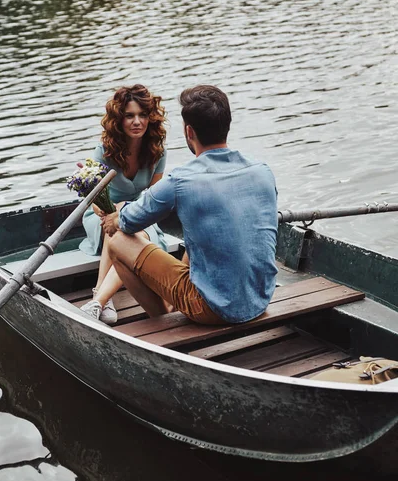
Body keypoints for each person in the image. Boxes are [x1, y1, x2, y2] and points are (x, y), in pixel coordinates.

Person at [100, 84, 278, 325]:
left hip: (212, 309)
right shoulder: (262, 171)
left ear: (189, 132)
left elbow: (128, 222)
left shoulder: (181, 179)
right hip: (261, 299)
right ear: (227, 125)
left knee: (118, 242)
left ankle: (164, 320)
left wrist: (115, 216)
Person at [79, 84, 167, 324]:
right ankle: (101, 298)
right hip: (101, 218)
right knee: (118, 219)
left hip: (140, 217)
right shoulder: (103, 151)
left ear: (151, 118)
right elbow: (93, 200)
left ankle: (98, 300)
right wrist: (112, 212)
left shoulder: (157, 152)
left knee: (126, 221)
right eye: (129, 116)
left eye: (142, 115)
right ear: (119, 119)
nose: (137, 121)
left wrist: (127, 213)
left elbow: (152, 197)